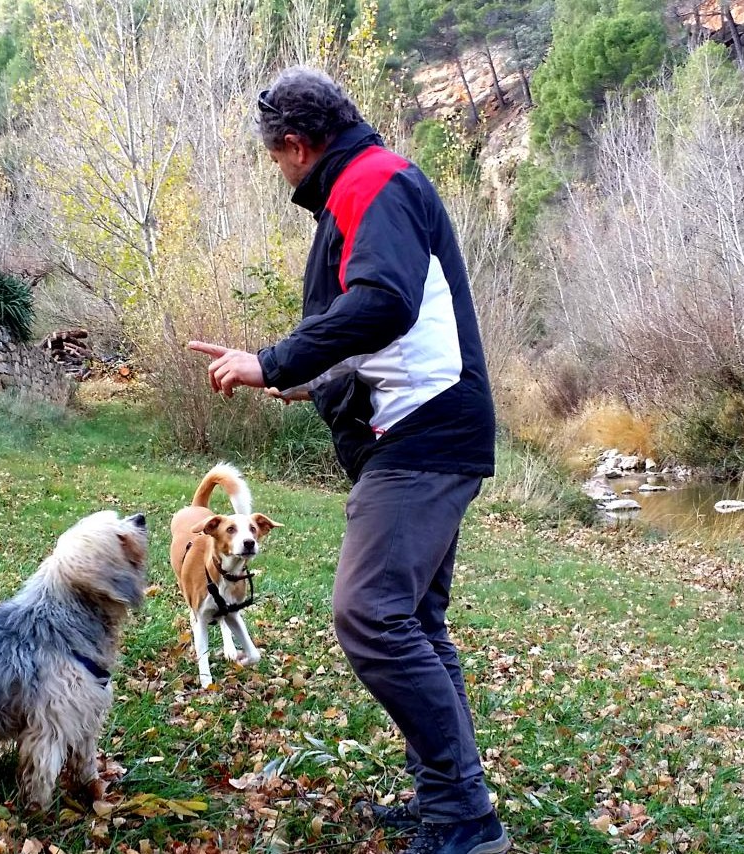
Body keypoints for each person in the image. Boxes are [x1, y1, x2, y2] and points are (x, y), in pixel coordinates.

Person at [185, 66, 506, 854]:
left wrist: (276, 360)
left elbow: (384, 302)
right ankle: (447, 806)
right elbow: (395, 327)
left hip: (423, 437)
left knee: (369, 616)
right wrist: (315, 382)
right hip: (432, 426)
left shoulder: (370, 180)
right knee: (417, 623)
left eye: (276, 160)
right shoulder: (372, 181)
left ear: (295, 146)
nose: (281, 173)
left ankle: (467, 822)